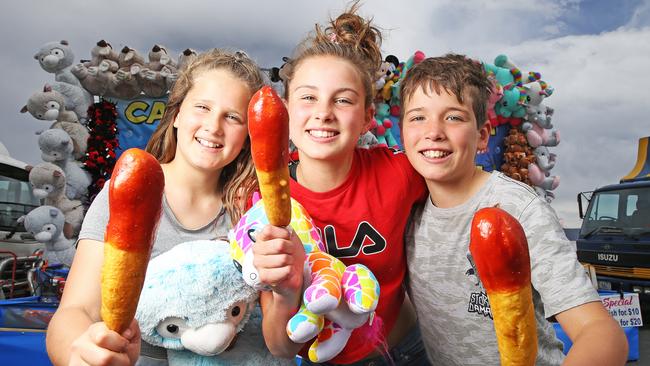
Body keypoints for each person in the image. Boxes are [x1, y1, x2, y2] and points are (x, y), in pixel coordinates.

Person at [400, 54, 628, 365]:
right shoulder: (407, 209)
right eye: (417, 117)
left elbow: (600, 332)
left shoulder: (518, 209)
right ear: (402, 132)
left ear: (482, 136)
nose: (434, 131)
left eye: (453, 117)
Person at [45, 49, 266, 366]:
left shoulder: (252, 212)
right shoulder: (126, 192)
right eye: (202, 107)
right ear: (177, 114)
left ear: (247, 136)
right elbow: (75, 312)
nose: (214, 127)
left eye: (233, 117)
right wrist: (77, 351)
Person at [252, 3, 429, 366]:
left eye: (343, 99)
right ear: (285, 111)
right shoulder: (260, 202)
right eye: (308, 97)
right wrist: (285, 291)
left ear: (366, 117)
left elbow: (459, 183)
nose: (323, 112)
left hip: (406, 349)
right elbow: (280, 348)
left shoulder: (400, 172)